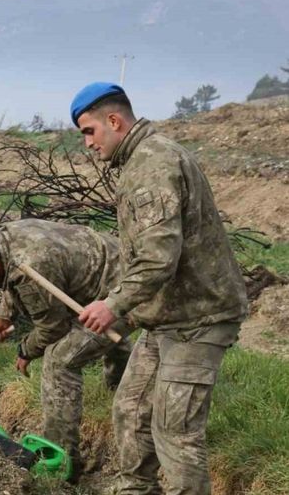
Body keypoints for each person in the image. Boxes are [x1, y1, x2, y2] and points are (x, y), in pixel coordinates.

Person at [71, 82, 248, 495]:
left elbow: (157, 258)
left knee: (176, 432)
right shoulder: (140, 162)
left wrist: (113, 305)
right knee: (131, 409)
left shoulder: (153, 165)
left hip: (200, 318)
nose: (88, 144)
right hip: (168, 316)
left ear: (114, 121)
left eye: (89, 131)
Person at [0, 220, 134, 480]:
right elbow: (10, 277)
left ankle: (59, 459)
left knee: (60, 360)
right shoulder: (6, 238)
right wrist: (3, 317)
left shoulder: (32, 264)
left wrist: (25, 350)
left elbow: (52, 329)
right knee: (94, 341)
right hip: (111, 269)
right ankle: (118, 390)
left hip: (126, 293)